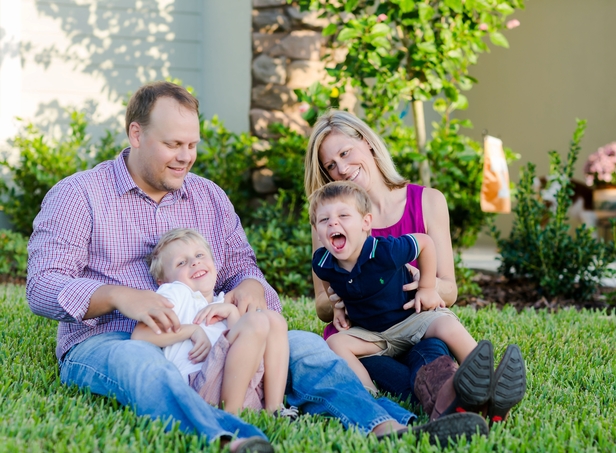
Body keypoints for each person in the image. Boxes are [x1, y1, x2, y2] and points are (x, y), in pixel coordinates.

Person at [27, 81, 489, 453]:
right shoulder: (78, 195)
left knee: (306, 346)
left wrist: (249, 287)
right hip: (111, 338)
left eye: (192, 144)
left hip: (212, 334)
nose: (186, 156)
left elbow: (244, 269)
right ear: (136, 135)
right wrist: (118, 296)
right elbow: (43, 288)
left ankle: (387, 426)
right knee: (141, 365)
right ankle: (228, 436)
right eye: (173, 144)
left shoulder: (207, 196)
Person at [304, 109, 526, 423]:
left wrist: (427, 283)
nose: (342, 168)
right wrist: (336, 301)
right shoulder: (329, 222)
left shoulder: (428, 201)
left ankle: (474, 397)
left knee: (432, 351)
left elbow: (448, 290)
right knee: (396, 371)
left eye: (345, 153)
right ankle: (469, 405)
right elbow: (322, 304)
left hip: (416, 326)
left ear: (367, 142)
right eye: (331, 165)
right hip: (364, 337)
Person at [310, 180, 488, 402]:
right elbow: (328, 279)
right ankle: (367, 394)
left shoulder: (385, 250)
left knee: (446, 324)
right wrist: (337, 307)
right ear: (317, 231)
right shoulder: (323, 260)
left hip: (411, 320)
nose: (333, 224)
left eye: (343, 216)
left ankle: (482, 378)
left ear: (366, 222)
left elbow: (425, 242)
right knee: (336, 343)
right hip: (373, 334)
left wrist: (426, 287)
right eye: (324, 220)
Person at [131, 228, 289, 415]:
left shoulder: (221, 301)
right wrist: (191, 331)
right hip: (201, 384)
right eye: (181, 262)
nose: (195, 262)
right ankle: (230, 416)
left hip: (242, 386)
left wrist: (231, 312)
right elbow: (140, 336)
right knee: (257, 321)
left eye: (199, 255)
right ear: (163, 281)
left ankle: (275, 409)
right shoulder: (176, 293)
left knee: (274, 320)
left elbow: (246, 344)